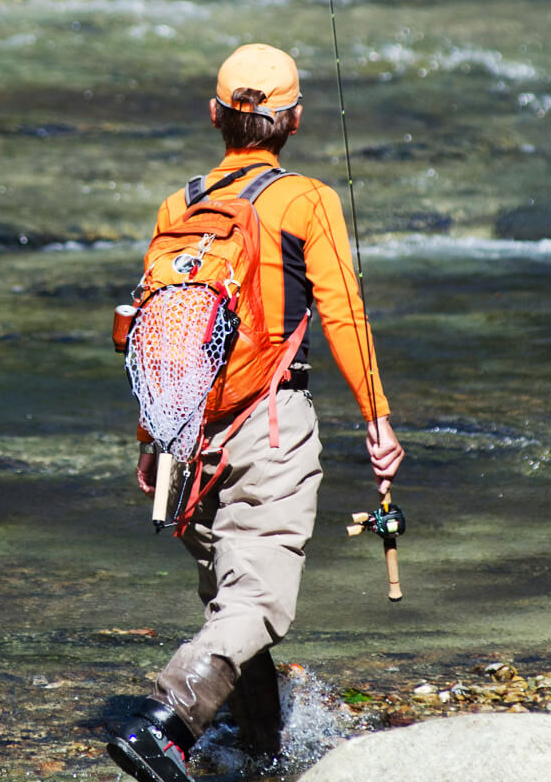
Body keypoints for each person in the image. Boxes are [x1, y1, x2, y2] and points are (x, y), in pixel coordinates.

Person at [108, 43, 404, 782]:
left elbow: (160, 333)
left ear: (216, 116)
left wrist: (155, 442)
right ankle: (166, 719)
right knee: (260, 600)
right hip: (271, 426)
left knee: (231, 604)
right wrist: (377, 419)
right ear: (295, 121)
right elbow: (344, 315)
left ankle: (259, 751)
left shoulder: (180, 205)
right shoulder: (306, 200)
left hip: (186, 437)